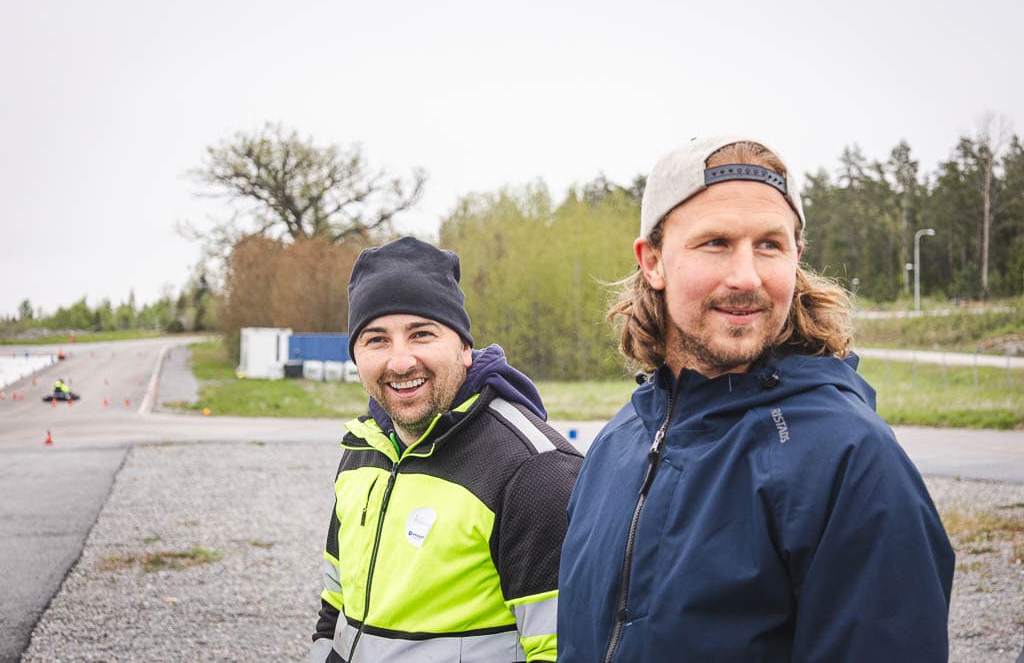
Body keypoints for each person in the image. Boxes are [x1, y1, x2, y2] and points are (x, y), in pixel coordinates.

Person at [556, 135, 955, 662]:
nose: (746, 277)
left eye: (770, 244)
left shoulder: (852, 460)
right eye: (716, 243)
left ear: (796, 258)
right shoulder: (616, 446)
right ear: (652, 261)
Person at [311, 236, 582, 663]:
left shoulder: (533, 471)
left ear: (464, 347)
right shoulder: (364, 449)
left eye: (421, 334)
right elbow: (334, 610)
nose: (400, 362)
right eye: (376, 339)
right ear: (356, 354)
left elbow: (566, 650)